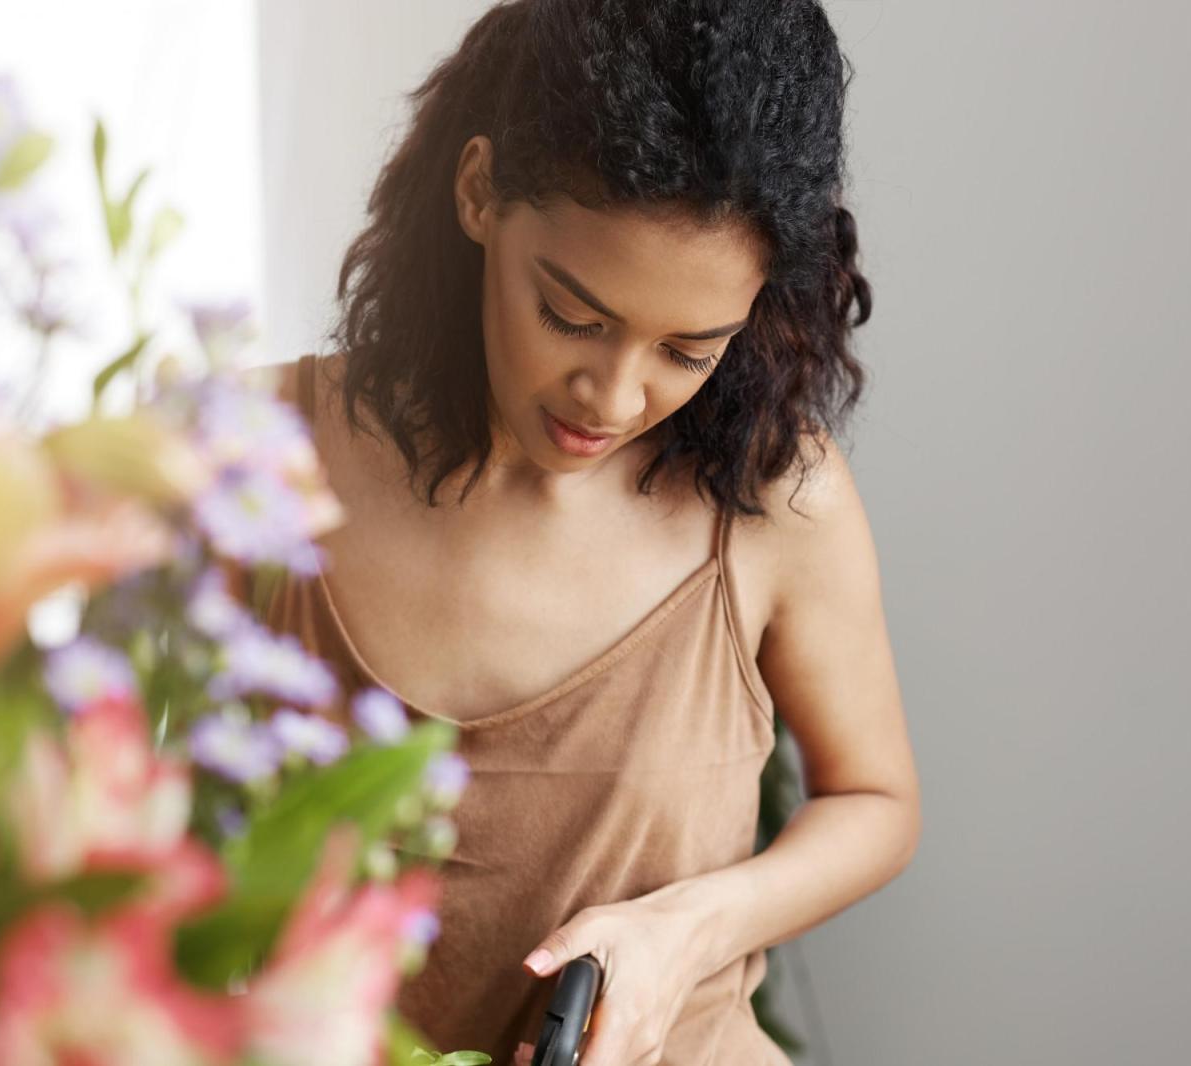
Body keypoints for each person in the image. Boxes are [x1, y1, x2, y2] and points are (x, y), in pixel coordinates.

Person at [257, 1, 921, 1062]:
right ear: (478, 192)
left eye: (688, 348)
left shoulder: (779, 503)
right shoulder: (255, 453)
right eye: (572, 315)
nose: (611, 396)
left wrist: (684, 930)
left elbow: (875, 800)